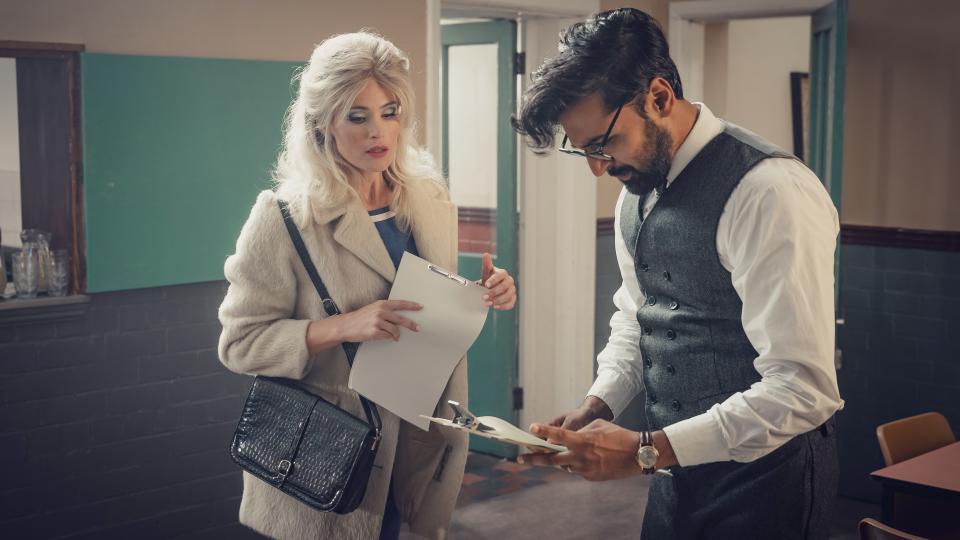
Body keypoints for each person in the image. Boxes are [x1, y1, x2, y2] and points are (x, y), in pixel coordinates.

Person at [513, 8, 842, 540]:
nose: (599, 167)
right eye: (585, 151)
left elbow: (803, 389)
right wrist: (598, 404)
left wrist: (647, 450)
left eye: (604, 143)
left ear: (659, 98)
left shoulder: (770, 192)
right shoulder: (634, 194)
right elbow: (637, 315)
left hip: (769, 482)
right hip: (674, 472)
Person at [218, 31, 517, 540]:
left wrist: (485, 290)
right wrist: (340, 326)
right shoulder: (286, 216)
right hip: (332, 458)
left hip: (417, 444)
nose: (379, 131)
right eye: (358, 116)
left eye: (391, 111)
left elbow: (419, 303)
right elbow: (239, 345)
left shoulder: (427, 199)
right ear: (322, 124)